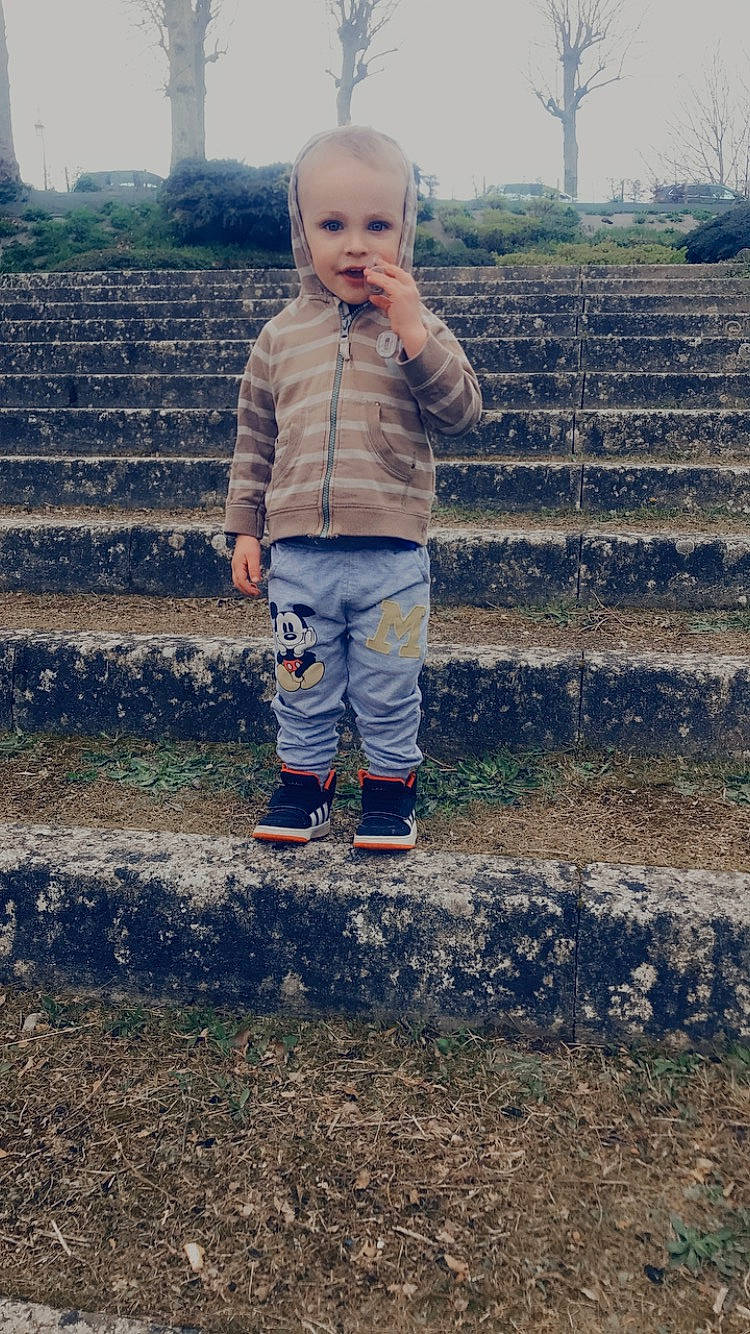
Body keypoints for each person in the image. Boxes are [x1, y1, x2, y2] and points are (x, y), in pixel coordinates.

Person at [223, 125, 482, 851]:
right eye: (332, 225)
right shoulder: (279, 337)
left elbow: (462, 412)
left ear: (406, 232)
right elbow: (255, 438)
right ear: (302, 234)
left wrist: (414, 333)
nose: (356, 245)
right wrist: (247, 527)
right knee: (300, 678)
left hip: (392, 559)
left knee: (388, 684)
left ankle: (391, 788)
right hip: (298, 554)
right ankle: (305, 786)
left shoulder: (418, 326)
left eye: (378, 225)